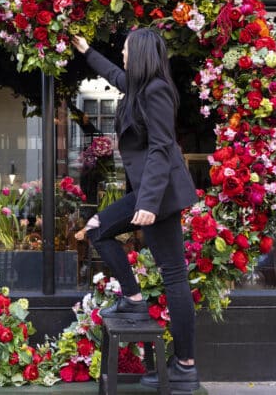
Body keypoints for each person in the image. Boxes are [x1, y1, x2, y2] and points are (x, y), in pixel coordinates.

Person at [72, 29, 200, 392]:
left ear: (140, 53)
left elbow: (162, 147)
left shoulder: (157, 90)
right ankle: (132, 298)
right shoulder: (138, 87)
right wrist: (87, 50)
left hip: (159, 196)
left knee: (174, 275)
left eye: (126, 50)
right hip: (148, 192)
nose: (123, 55)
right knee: (98, 229)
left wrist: (148, 204)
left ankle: (186, 367)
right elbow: (114, 74)